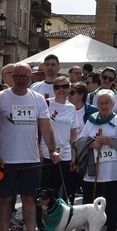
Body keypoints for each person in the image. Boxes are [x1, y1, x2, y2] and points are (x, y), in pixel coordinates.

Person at [0, 63, 59, 231]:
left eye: (25, 77)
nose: (21, 80)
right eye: (17, 76)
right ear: (11, 77)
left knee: (30, 198)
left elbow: (46, 126)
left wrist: (53, 150)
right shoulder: (0, 98)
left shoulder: (37, 99)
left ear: (31, 78)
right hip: (6, 159)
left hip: (30, 158)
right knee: (5, 198)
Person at [77, 89, 117, 231]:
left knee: (112, 200)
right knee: (92, 199)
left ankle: (111, 229)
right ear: (96, 104)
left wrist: (110, 141)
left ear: (113, 104)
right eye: (101, 103)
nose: (104, 106)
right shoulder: (91, 120)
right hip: (94, 167)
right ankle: (92, 228)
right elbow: (80, 140)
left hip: (113, 167)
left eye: (107, 103)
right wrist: (91, 144)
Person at [40, 77, 81, 209]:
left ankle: (58, 222)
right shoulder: (46, 104)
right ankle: (42, 224)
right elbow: (38, 128)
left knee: (60, 190)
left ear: (69, 88)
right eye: (57, 87)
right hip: (46, 152)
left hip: (65, 153)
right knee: (44, 189)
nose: (61, 90)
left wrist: (74, 155)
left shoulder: (72, 108)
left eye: (64, 86)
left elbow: (73, 133)